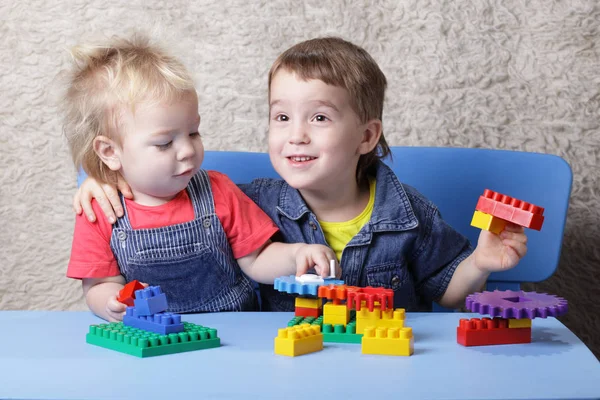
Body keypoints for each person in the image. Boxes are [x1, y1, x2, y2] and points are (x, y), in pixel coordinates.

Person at [72, 37, 528, 313]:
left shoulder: (408, 212)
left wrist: (480, 264)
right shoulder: (253, 201)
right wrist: (103, 177)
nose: (297, 137)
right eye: (282, 118)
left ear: (367, 136)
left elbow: (448, 293)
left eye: (320, 119)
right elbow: (169, 193)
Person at [61, 33, 337, 322]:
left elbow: (256, 260)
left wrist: (296, 256)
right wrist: (111, 302)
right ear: (110, 151)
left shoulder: (218, 190)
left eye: (193, 133)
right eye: (165, 143)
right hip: (152, 338)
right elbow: (98, 284)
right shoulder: (100, 211)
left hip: (231, 332)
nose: (186, 151)